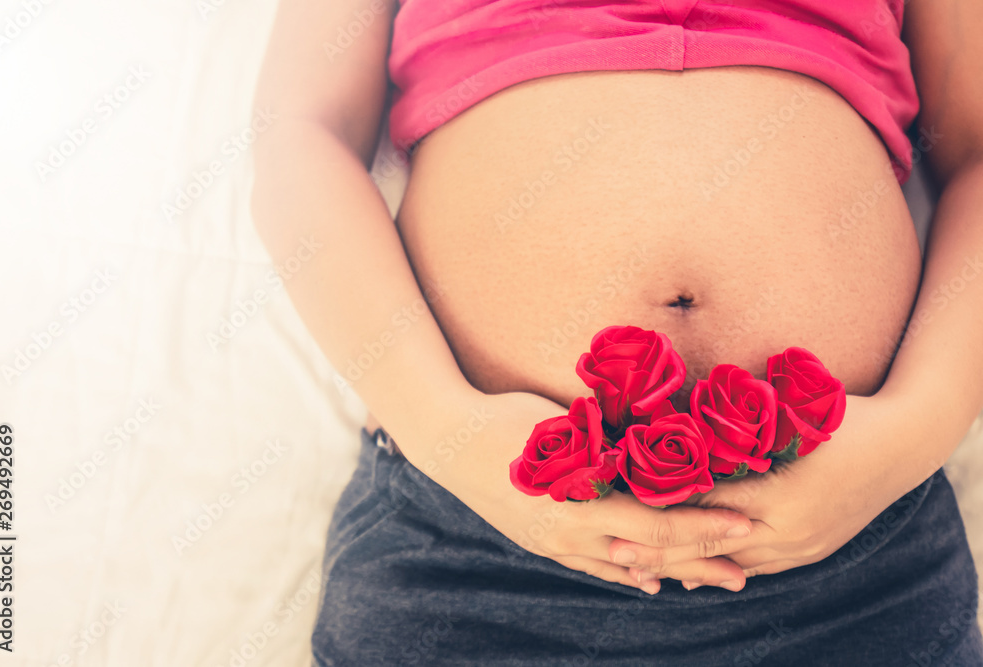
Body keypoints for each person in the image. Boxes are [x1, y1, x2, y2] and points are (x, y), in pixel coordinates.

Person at [251, 0, 983, 664]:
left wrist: (913, 432)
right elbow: (298, 133)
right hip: (476, 530)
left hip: (852, 542)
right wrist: (446, 426)